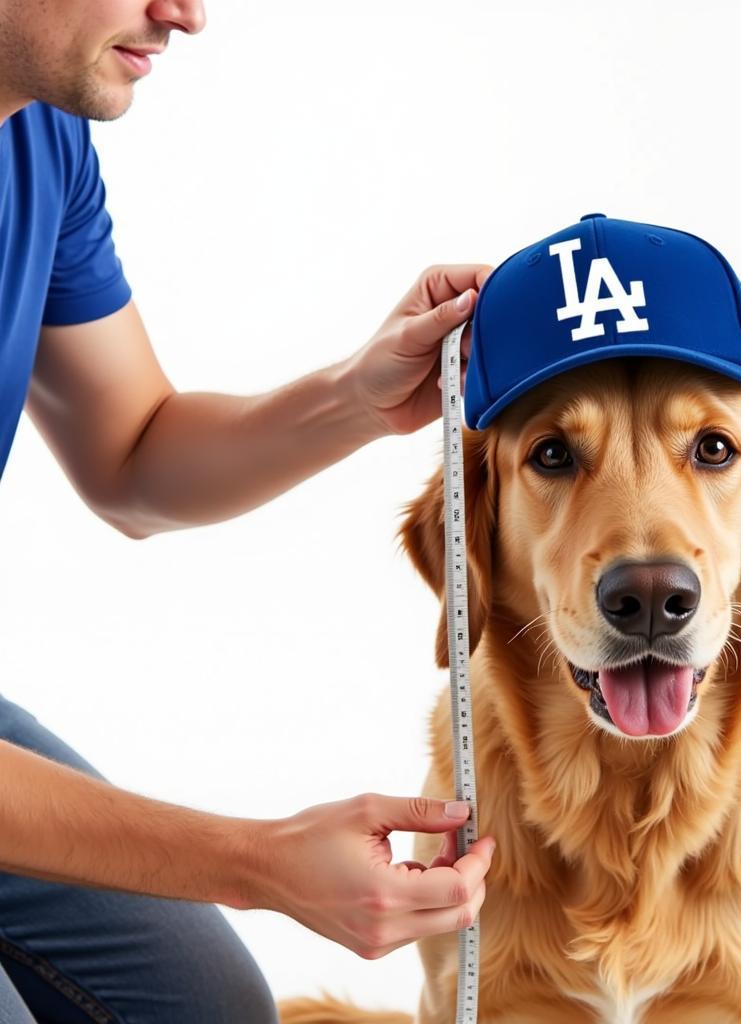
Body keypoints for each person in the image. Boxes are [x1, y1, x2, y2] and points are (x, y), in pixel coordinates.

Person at [0, 1, 497, 1020]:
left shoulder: (40, 134)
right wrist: (258, 861)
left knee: (205, 1006)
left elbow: (131, 455)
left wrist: (356, 395)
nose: (185, 11)